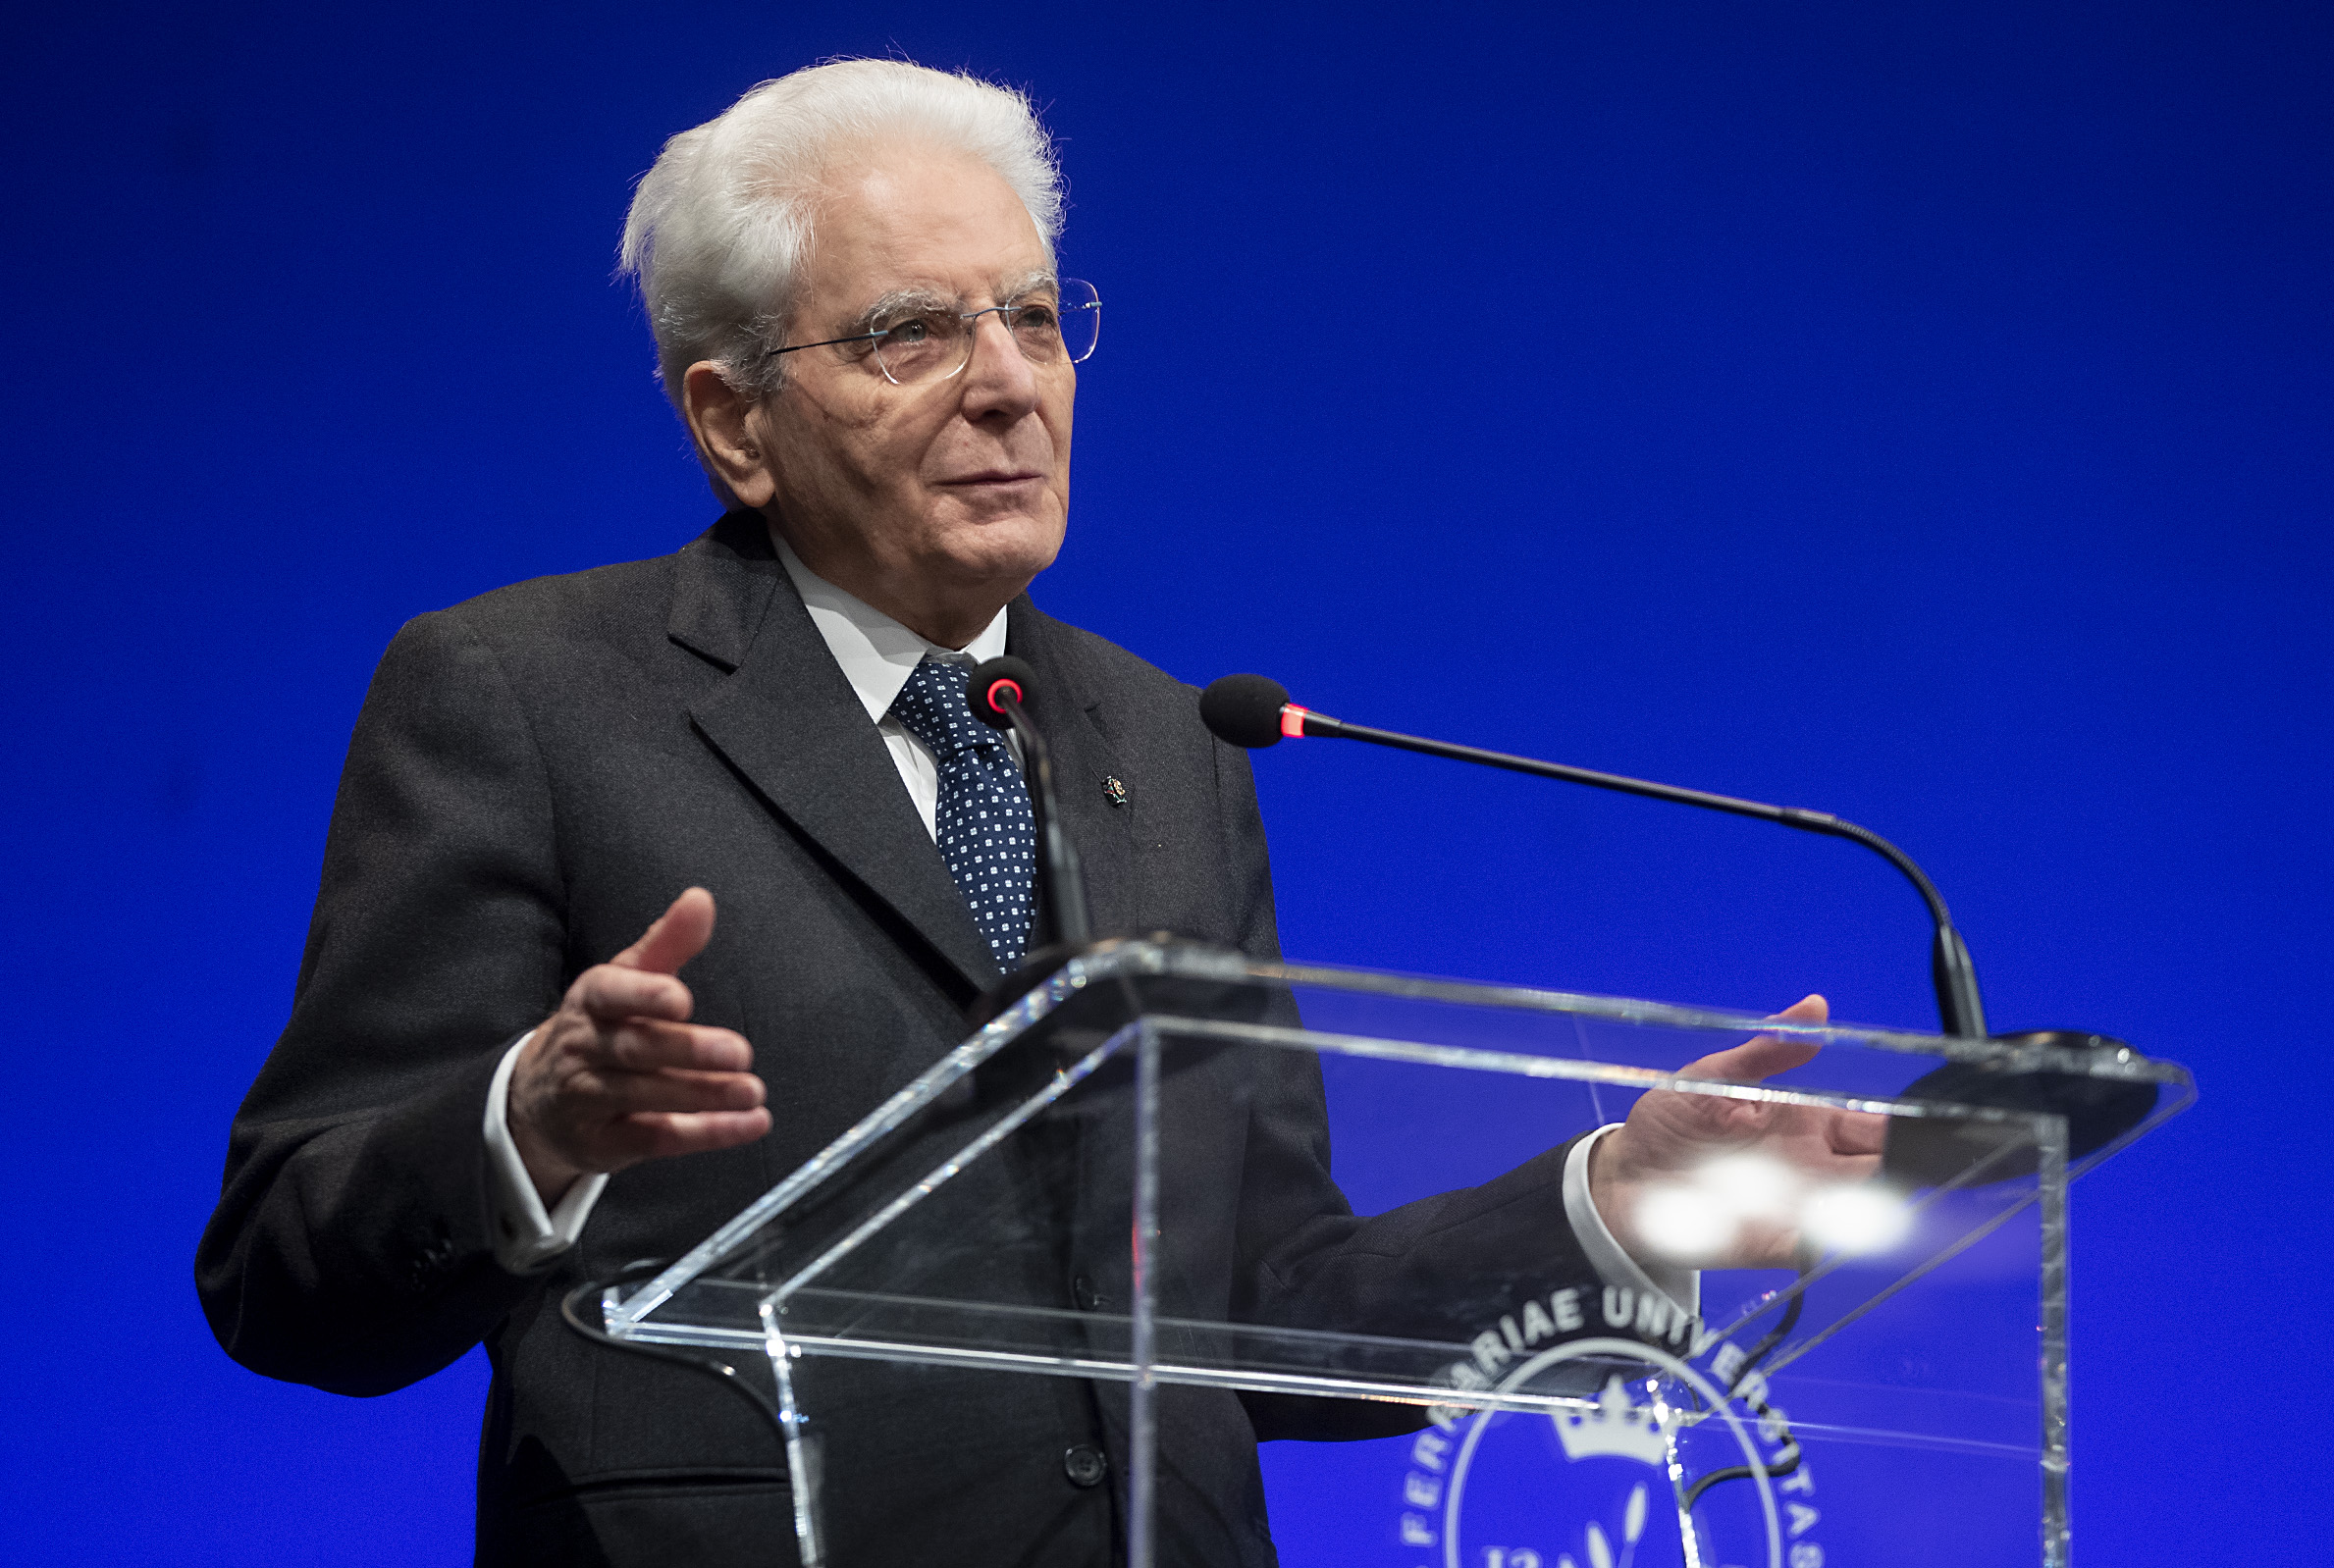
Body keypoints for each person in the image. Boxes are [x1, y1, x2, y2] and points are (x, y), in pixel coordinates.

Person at [196, 59, 1883, 1567]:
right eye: (911, 333)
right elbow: (282, 1266)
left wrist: (1611, 1199)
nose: (1009, 382)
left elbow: (1262, 1302)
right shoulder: (532, 696)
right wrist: (527, 1126)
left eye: (1029, 315)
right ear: (731, 422)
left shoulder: (1174, 741)